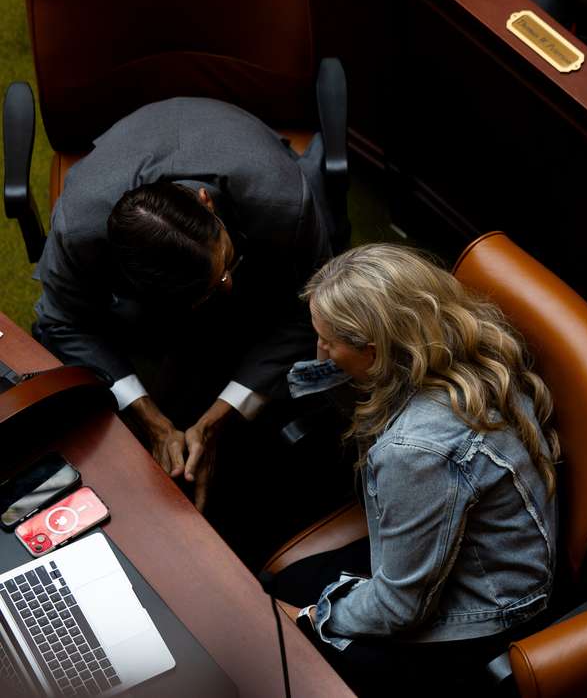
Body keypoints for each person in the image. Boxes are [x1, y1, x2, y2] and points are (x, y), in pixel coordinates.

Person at [273, 244, 559, 694]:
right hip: (471, 552)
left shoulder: (417, 449)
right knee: (290, 580)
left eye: (328, 341)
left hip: (483, 611)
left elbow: (399, 607)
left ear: (373, 352)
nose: (319, 351)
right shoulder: (461, 339)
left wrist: (310, 619)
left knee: (287, 646)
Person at [34, 97, 334, 512]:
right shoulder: (79, 229)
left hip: (251, 159)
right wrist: (151, 421)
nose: (228, 284)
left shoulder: (285, 203)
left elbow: (309, 309)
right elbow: (62, 321)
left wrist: (218, 418)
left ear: (204, 203)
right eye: (210, 290)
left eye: (227, 263)